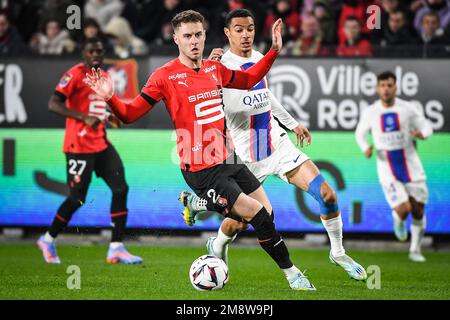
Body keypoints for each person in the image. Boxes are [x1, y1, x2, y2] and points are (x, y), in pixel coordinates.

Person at [84, 10, 316, 291]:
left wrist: (274, 51)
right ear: (176, 39)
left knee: (266, 213)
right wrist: (110, 97)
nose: (193, 41)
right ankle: (293, 276)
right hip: (201, 166)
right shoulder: (164, 76)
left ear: (205, 35)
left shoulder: (213, 68)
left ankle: (198, 204)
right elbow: (130, 114)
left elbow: (249, 77)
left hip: (229, 157)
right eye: (187, 36)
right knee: (258, 214)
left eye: (197, 35)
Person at [182, 8, 367, 282]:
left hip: (276, 145)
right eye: (239, 29)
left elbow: (265, 95)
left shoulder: (258, 58)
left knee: (327, 193)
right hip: (245, 156)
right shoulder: (217, 67)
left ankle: (338, 252)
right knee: (240, 222)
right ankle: (214, 238)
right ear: (227, 33)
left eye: (250, 28)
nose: (246, 35)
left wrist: (292, 124)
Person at [37, 37, 143, 265]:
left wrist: (113, 118)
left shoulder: (105, 77)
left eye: (99, 51)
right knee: (77, 199)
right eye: (91, 51)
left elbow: (103, 109)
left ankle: (116, 247)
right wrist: (83, 117)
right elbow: (53, 104)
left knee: (121, 188)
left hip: (101, 143)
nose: (96, 54)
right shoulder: (74, 75)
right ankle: (47, 238)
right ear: (83, 53)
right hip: (78, 146)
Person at [355, 71, 432, 262]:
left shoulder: (407, 108)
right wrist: (365, 147)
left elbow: (426, 125)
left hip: (410, 161)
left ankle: (415, 250)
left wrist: (424, 133)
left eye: (389, 85)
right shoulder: (371, 111)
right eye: (382, 85)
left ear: (396, 87)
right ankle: (398, 220)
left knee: (418, 210)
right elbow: (360, 133)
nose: (386, 89)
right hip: (386, 164)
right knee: (404, 208)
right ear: (377, 88)